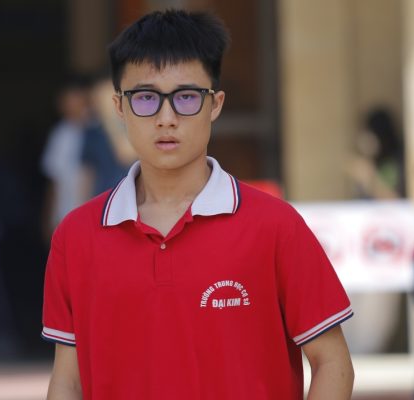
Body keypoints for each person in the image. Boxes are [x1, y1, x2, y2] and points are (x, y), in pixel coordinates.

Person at [42, 9, 354, 400]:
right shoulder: (76, 236)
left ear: (216, 104)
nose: (166, 118)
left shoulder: (275, 225)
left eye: (186, 97)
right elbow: (68, 381)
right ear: (119, 107)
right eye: (146, 98)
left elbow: (332, 362)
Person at [40, 74, 93, 242]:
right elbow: (54, 181)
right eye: (63, 100)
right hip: (65, 217)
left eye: (72, 98)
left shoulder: (98, 131)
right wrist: (49, 219)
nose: (67, 104)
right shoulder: (60, 134)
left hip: (97, 217)